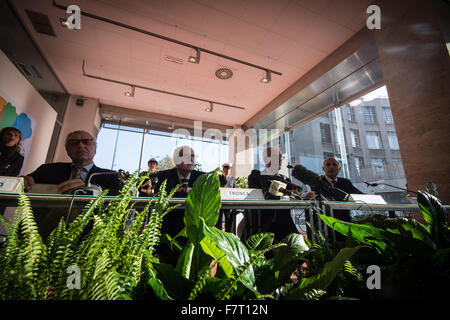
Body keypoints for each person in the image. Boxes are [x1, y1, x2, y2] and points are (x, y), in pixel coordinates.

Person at [23, 130, 122, 196]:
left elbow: (119, 199)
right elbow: (22, 183)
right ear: (67, 150)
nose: (80, 146)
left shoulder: (110, 175)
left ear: (95, 149)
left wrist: (90, 189)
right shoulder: (47, 169)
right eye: (74, 143)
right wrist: (21, 181)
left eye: (86, 142)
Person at [248, 147, 315, 241]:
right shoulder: (256, 176)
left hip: (285, 222)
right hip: (264, 223)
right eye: (275, 157)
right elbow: (259, 195)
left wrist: (303, 195)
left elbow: (293, 197)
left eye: (280, 158)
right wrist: (287, 194)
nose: (279, 160)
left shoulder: (286, 179)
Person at [153, 146, 205, 265]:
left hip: (193, 231)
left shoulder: (202, 177)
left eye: (193, 156)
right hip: (168, 231)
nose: (191, 159)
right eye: (187, 156)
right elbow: (162, 195)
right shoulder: (163, 175)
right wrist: (190, 192)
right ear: (176, 160)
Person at [217, 162, 237, 232]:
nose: (227, 170)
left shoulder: (232, 179)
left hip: (229, 203)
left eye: (229, 168)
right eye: (226, 168)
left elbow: (235, 191)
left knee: (228, 220)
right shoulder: (218, 178)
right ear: (223, 169)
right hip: (219, 202)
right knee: (218, 221)